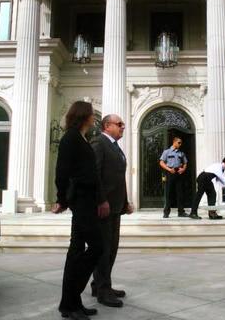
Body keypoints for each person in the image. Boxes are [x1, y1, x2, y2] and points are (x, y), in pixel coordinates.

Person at [52, 101, 107, 320]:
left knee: (76, 251)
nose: (94, 118)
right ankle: (71, 301)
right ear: (84, 116)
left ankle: (71, 303)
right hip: (81, 201)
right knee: (96, 247)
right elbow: (61, 171)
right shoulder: (70, 138)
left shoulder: (81, 138)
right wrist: (61, 199)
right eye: (92, 115)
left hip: (87, 200)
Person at [90, 114, 134, 308]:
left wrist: (125, 202)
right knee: (104, 249)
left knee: (111, 248)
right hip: (104, 207)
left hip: (115, 207)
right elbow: (95, 174)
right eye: (119, 124)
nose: (123, 127)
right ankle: (103, 290)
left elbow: (118, 178)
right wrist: (101, 200)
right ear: (107, 126)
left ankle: (99, 283)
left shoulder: (115, 146)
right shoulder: (99, 143)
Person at [190, 156, 225, 220]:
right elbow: (221, 177)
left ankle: (212, 214)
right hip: (203, 178)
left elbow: (219, 180)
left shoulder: (221, 168)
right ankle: (193, 213)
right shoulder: (219, 166)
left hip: (207, 180)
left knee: (212, 194)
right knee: (199, 195)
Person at [159, 136, 188, 218]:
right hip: (170, 173)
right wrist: (168, 169)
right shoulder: (167, 152)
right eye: (179, 142)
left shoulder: (181, 153)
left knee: (180, 193)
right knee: (168, 193)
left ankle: (181, 212)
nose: (180, 144)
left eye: (181, 143)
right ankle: (166, 212)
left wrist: (183, 169)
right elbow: (161, 162)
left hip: (179, 173)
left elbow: (185, 162)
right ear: (174, 142)